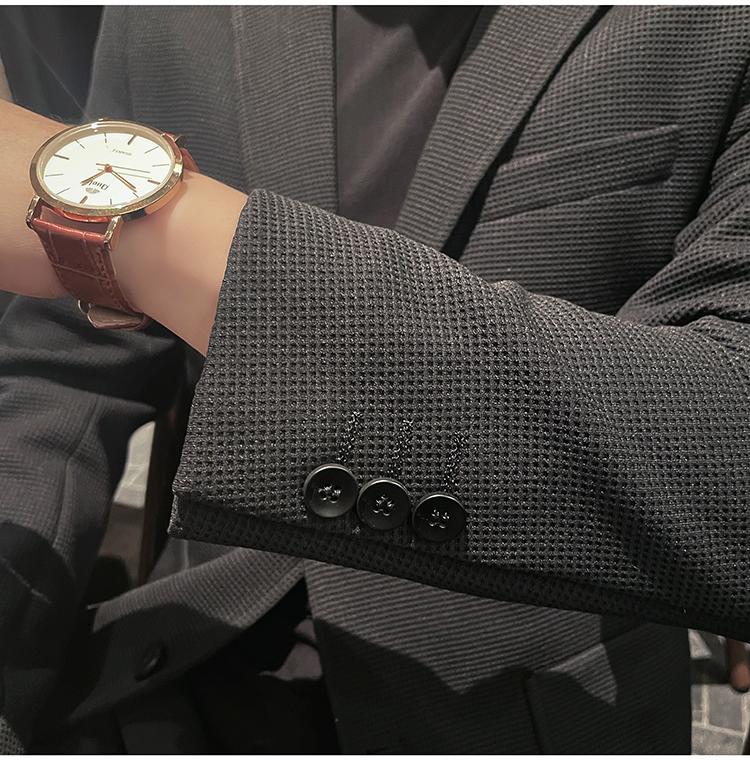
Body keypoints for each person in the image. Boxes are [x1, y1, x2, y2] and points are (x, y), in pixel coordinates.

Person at [1, 5, 749, 753]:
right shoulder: (165, 17)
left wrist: (154, 236)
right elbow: (67, 363)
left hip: (524, 704)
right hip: (187, 657)